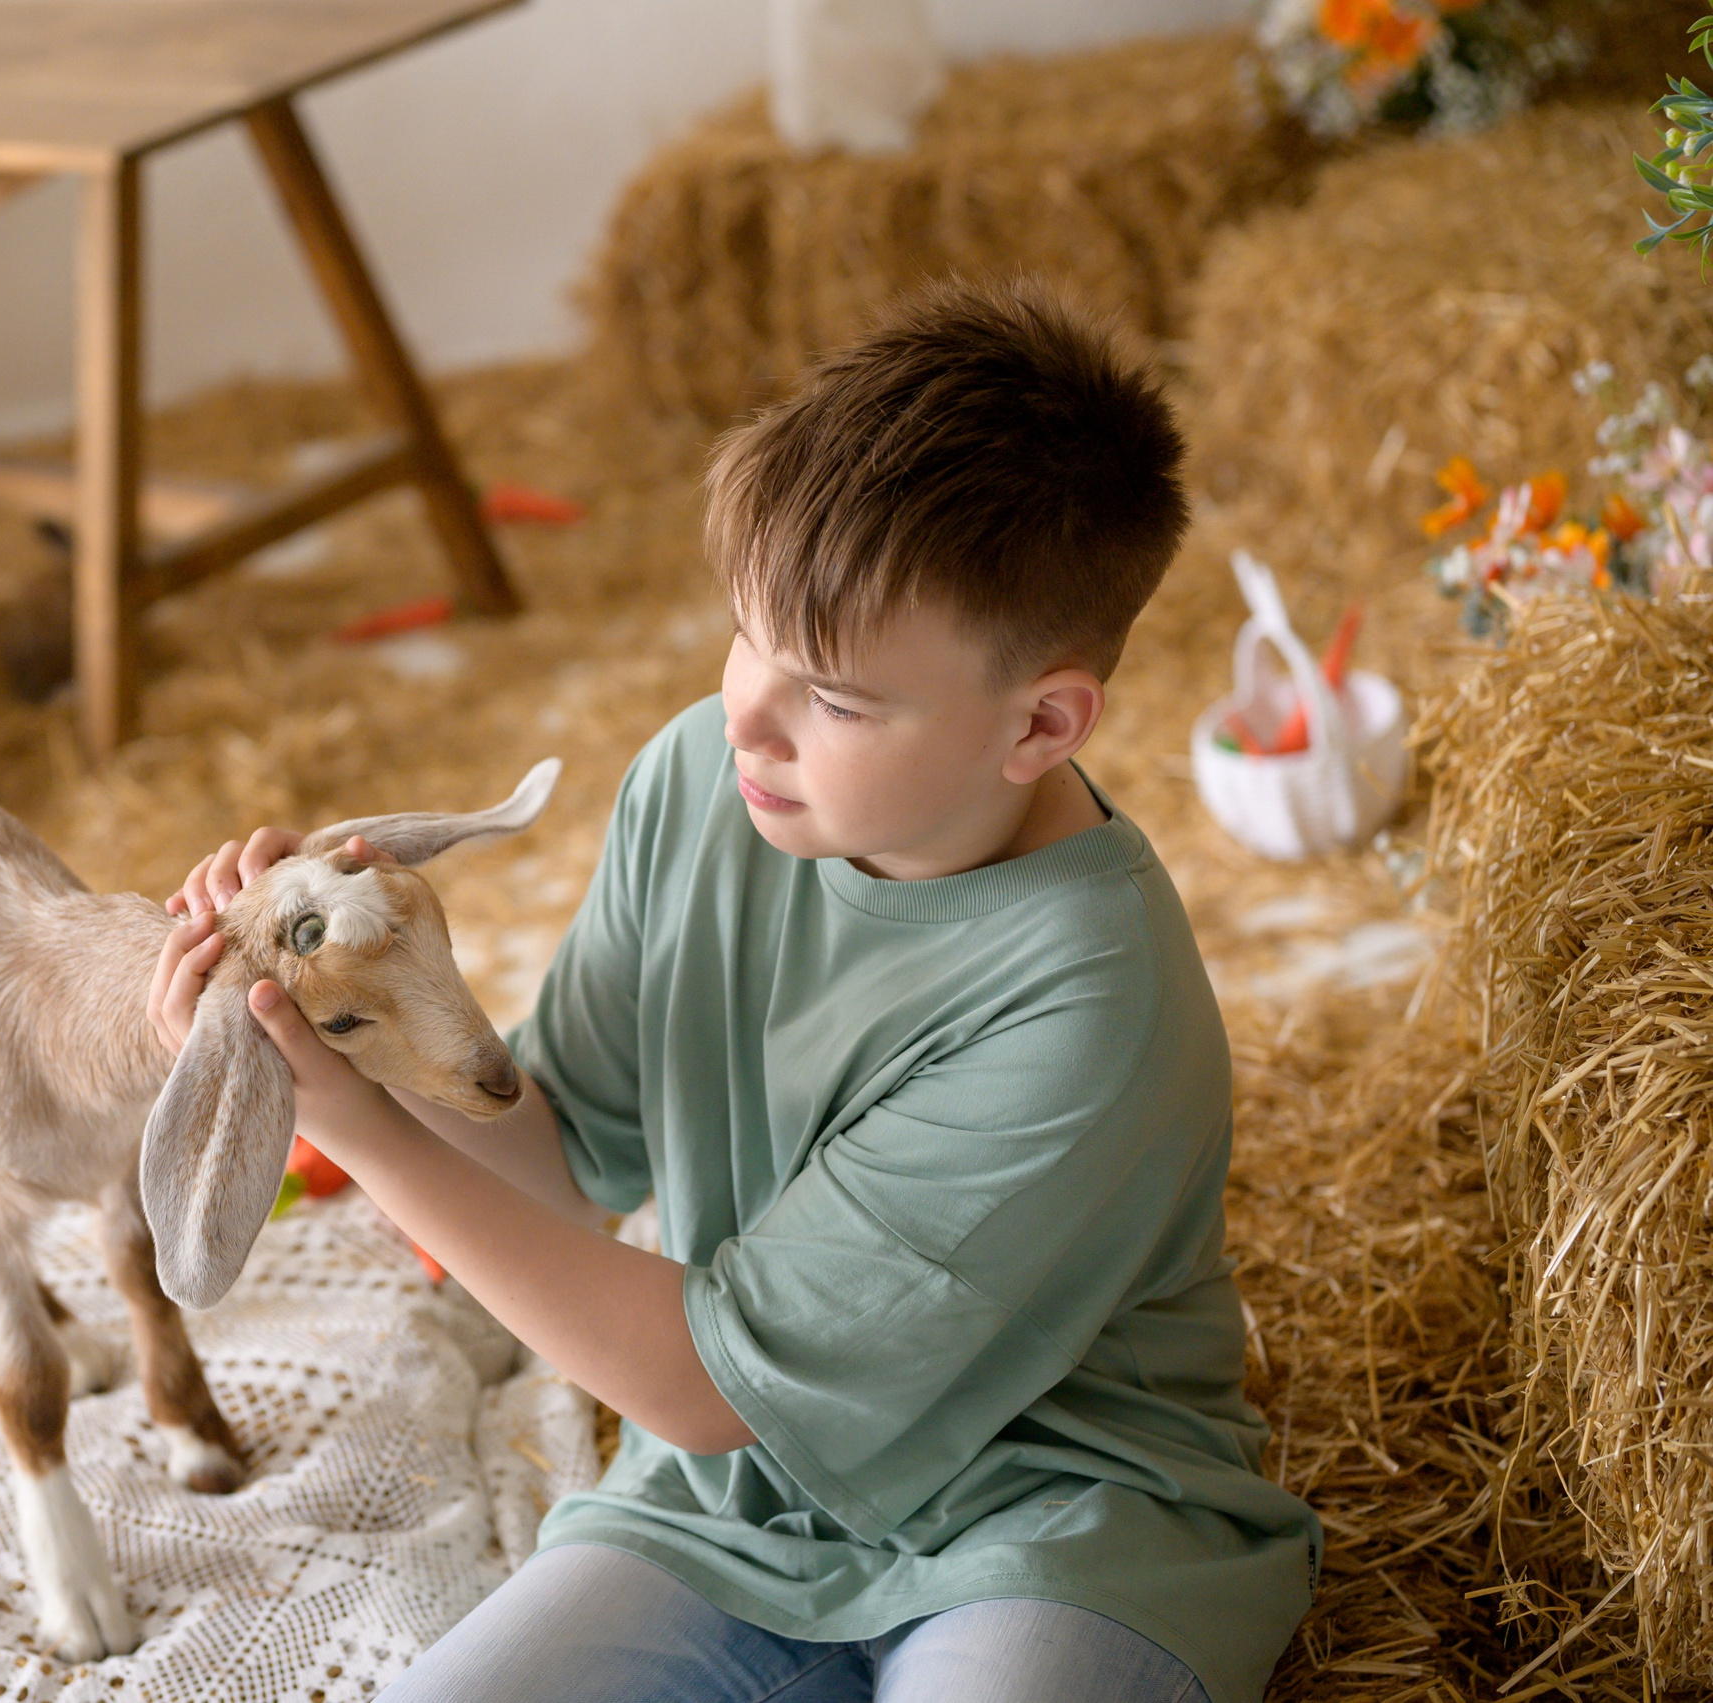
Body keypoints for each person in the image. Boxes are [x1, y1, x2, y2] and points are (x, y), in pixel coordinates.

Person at [144, 276, 1321, 1703]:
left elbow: (700, 1389)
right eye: (749, 631)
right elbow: (566, 1160)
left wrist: (364, 1129)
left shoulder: (1087, 1008)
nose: (746, 713)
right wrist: (345, 1022)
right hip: (726, 1523)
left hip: (1061, 1525)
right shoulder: (705, 780)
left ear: (1042, 721)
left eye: (833, 694)